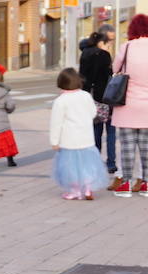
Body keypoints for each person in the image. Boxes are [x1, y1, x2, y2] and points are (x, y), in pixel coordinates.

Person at [110, 14, 148, 198]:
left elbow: (115, 69)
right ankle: (147, 184)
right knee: (147, 145)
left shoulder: (126, 47)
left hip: (127, 102)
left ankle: (126, 184)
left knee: (127, 145)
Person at [49, 67, 106, 199]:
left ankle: (74, 191)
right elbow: (93, 113)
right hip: (86, 138)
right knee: (87, 165)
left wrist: (54, 141)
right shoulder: (86, 96)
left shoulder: (61, 100)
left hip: (69, 140)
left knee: (70, 168)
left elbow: (56, 123)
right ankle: (87, 189)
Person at [80, 30, 118, 175]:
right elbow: (110, 75)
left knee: (95, 132)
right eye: (107, 44)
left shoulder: (85, 54)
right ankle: (111, 163)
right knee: (111, 132)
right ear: (101, 43)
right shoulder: (104, 55)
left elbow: (83, 77)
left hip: (91, 99)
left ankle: (94, 162)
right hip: (107, 98)